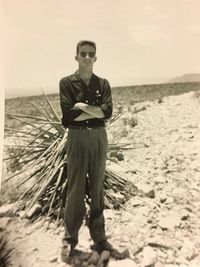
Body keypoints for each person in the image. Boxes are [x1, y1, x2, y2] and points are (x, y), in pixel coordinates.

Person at [59, 40, 113, 260]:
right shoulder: (66, 83)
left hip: (98, 139)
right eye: (83, 54)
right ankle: (69, 240)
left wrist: (81, 107)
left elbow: (107, 112)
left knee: (98, 187)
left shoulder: (103, 84)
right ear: (76, 57)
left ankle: (99, 239)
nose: (87, 58)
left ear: (96, 58)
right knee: (76, 189)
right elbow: (67, 117)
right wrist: (95, 111)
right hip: (77, 139)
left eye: (91, 54)